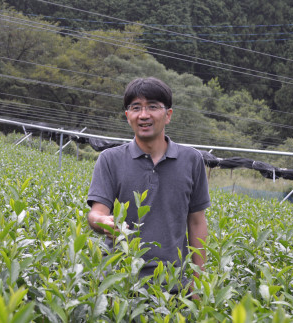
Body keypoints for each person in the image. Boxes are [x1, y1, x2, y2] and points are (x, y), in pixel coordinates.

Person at [86, 77, 210, 295]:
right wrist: (102, 221)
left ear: (168, 115)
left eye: (153, 106)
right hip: (121, 282)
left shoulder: (191, 160)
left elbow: (197, 222)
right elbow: (96, 212)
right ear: (128, 117)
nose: (144, 115)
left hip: (173, 285)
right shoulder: (110, 159)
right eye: (136, 108)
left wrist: (198, 280)